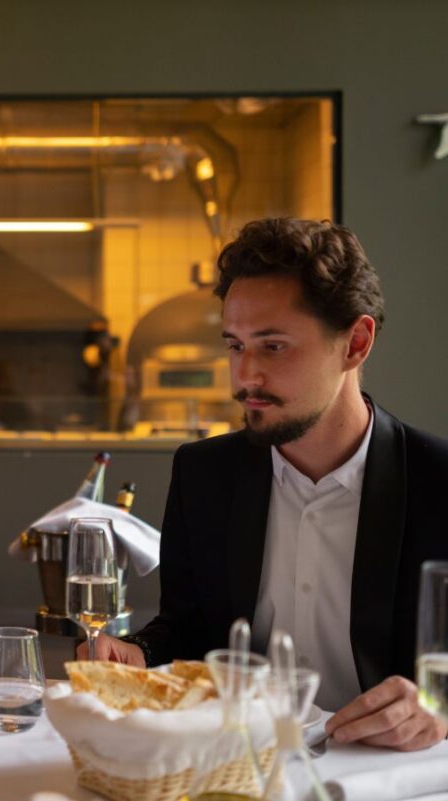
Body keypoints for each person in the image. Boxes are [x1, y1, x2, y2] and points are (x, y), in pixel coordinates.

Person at [92, 218, 448, 752]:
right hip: (238, 767)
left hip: (385, 775)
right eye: (235, 346)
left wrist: (439, 706)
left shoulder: (438, 482)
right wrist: (138, 652)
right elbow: (187, 632)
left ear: (355, 342)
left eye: (273, 347)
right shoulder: (202, 474)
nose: (245, 377)